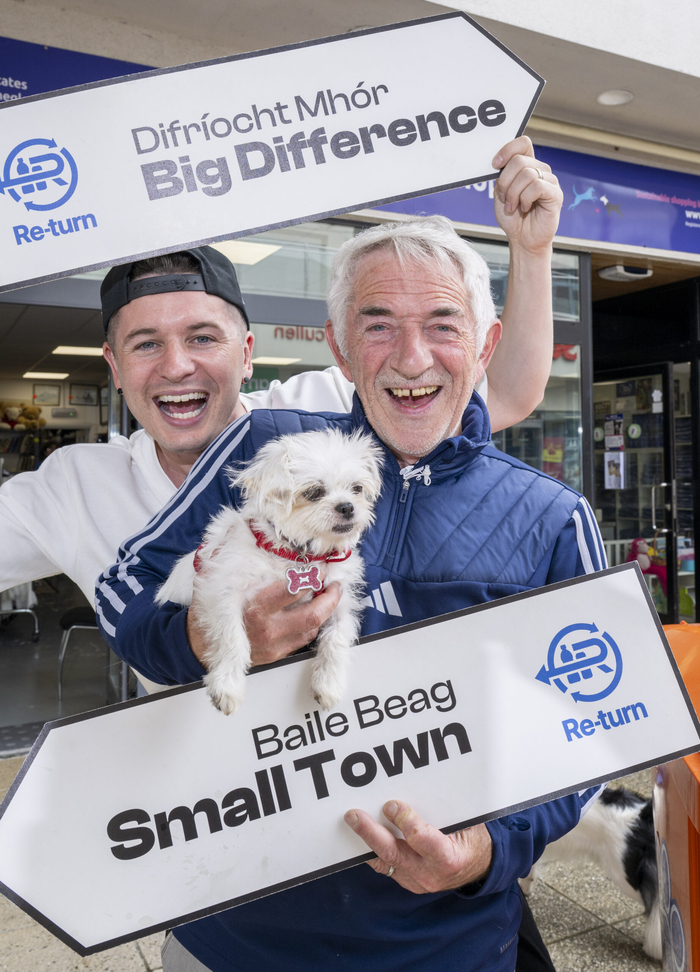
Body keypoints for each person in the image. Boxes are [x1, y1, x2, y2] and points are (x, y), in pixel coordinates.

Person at [96, 208, 606, 972]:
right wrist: (204, 639)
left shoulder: (552, 517)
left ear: (484, 344)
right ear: (337, 345)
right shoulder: (264, 447)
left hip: (445, 947)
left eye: (443, 323)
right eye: (377, 325)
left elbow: (597, 719)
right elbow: (122, 597)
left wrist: (488, 851)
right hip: (229, 937)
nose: (411, 357)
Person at [0, 137, 562, 690]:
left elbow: (506, 391)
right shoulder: (74, 484)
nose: (176, 367)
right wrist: (208, 639)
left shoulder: (311, 417)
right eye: (145, 344)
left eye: (202, 338)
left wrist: (531, 251)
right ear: (114, 367)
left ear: (246, 355)